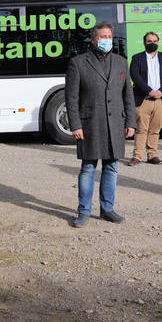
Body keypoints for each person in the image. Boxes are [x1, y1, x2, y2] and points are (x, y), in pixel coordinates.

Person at [65, 22, 136, 228]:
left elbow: (128, 95)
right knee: (88, 168)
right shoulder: (78, 63)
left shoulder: (121, 62)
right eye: (102, 37)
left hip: (115, 123)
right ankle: (84, 211)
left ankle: (107, 209)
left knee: (111, 167)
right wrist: (75, 125)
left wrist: (130, 121)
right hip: (89, 124)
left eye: (109, 37)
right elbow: (71, 98)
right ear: (93, 39)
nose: (106, 40)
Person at [128, 31, 162, 165]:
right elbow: (135, 76)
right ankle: (137, 156)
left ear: (158, 42)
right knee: (141, 129)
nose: (152, 43)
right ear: (144, 43)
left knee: (155, 130)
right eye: (149, 41)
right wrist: (150, 91)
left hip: (160, 100)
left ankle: (152, 155)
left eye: (155, 41)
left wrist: (161, 91)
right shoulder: (137, 58)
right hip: (143, 100)